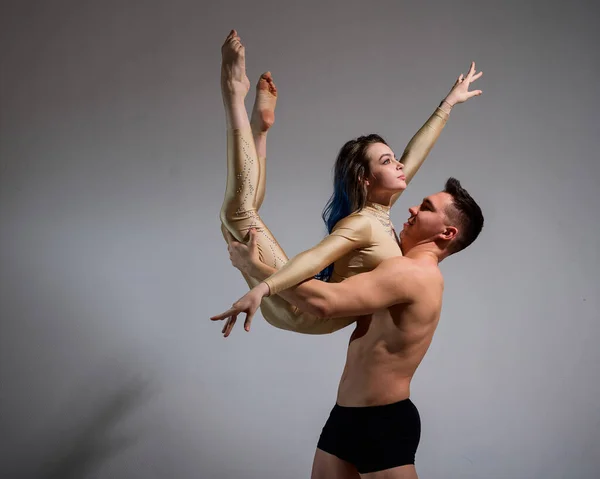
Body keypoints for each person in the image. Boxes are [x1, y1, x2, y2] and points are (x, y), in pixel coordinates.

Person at [212, 177, 484, 478]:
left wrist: (253, 268)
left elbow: (324, 303)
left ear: (447, 233)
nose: (413, 208)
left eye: (427, 208)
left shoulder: (415, 274)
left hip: (383, 422)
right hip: (345, 416)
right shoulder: (398, 264)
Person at [219, 29, 482, 336]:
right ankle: (234, 94)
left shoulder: (378, 212)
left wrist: (447, 105)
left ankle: (256, 129)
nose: (399, 165)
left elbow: (414, 154)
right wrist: (262, 288)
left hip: (302, 309)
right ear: (365, 179)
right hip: (298, 305)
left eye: (394, 158)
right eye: (386, 161)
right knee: (237, 216)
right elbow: (315, 258)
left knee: (237, 217)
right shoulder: (364, 223)